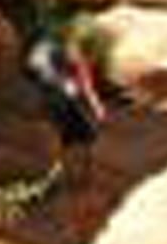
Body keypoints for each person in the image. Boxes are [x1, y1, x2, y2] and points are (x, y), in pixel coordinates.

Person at [22, 15, 108, 190]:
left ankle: (62, 177)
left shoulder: (42, 49)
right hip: (61, 99)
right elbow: (84, 81)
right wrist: (96, 105)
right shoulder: (60, 51)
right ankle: (81, 178)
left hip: (49, 99)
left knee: (64, 139)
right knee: (86, 137)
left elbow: (32, 72)